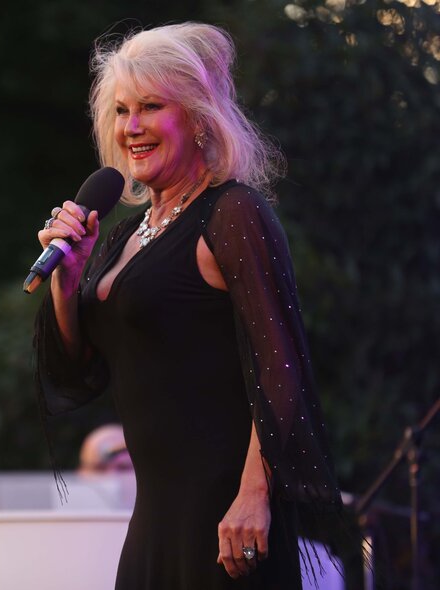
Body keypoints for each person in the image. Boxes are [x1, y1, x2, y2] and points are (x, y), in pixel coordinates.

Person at [33, 23, 342, 589]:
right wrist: (67, 280)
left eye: (150, 107)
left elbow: (281, 367)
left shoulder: (232, 212)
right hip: (155, 521)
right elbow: (79, 373)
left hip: (229, 523)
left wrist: (254, 496)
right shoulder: (125, 235)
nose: (132, 128)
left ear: (199, 117)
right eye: (122, 110)